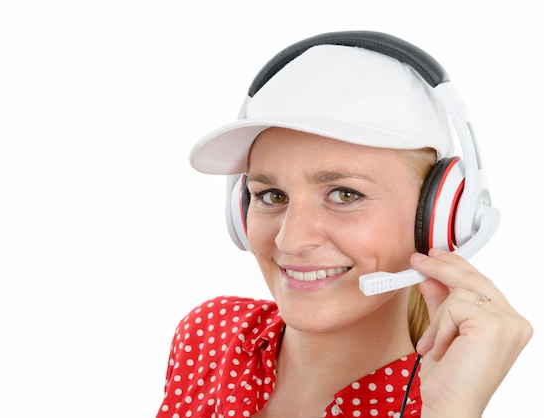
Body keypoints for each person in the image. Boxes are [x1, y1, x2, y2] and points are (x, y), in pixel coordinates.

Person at [155, 31, 532, 418]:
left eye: (345, 195)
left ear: (440, 216)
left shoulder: (445, 399)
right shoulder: (211, 334)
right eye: (272, 195)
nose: (292, 238)